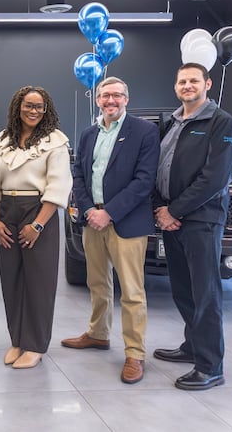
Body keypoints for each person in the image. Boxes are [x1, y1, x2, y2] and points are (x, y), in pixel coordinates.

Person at [60, 77, 160, 384]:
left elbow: (144, 181)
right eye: (105, 96)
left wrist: (109, 213)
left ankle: (134, 353)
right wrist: (90, 210)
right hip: (93, 220)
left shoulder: (144, 131)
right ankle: (98, 334)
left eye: (117, 95)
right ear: (98, 100)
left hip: (126, 221)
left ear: (127, 99)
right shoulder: (89, 133)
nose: (110, 100)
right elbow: (78, 173)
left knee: (131, 291)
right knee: (97, 282)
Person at [152, 62, 232, 391]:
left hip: (201, 220)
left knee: (205, 293)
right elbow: (162, 166)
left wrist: (174, 210)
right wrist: (162, 208)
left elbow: (214, 178)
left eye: (194, 81)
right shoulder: (173, 122)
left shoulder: (220, 122)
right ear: (176, 87)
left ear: (208, 84)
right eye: (182, 81)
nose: (188, 86)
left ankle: (210, 365)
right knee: (183, 290)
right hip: (172, 220)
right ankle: (192, 346)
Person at [0, 86, 72, 369]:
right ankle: (18, 340)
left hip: (38, 211)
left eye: (39, 106)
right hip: (6, 212)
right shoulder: (2, 140)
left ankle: (35, 345)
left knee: (39, 282)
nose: (33, 111)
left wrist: (37, 224)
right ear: (17, 107)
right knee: (12, 280)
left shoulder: (55, 141)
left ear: (46, 110)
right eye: (28, 105)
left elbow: (59, 186)